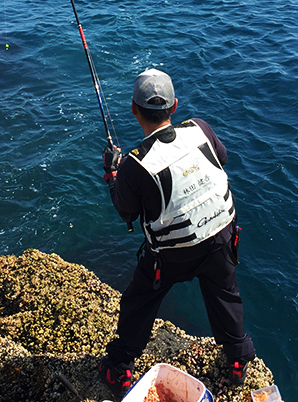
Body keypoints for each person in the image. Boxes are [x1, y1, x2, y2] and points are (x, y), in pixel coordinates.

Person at [97, 68, 255, 399]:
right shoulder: (200, 128)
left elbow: (126, 211)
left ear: (133, 109)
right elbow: (221, 159)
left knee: (138, 303)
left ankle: (120, 368)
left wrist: (113, 172)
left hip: (172, 254)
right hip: (221, 236)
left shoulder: (135, 165)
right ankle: (239, 360)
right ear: (175, 106)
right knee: (226, 295)